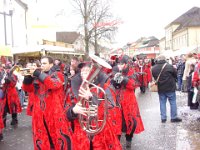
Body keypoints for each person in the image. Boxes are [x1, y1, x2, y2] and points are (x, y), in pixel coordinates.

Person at [66, 59, 122, 150]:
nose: (84, 73)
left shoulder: (105, 87)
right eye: (82, 71)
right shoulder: (72, 89)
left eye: (87, 71)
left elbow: (111, 107)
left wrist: (92, 98)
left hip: (101, 132)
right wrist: (73, 111)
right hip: (81, 133)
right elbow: (66, 114)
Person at [22, 56, 72, 149]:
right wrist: (27, 79)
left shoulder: (58, 74)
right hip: (39, 115)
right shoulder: (37, 76)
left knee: (58, 139)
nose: (42, 65)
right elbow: (27, 89)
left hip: (54, 114)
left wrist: (38, 73)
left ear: (51, 64)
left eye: (44, 63)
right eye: (41, 63)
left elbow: (53, 84)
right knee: (42, 140)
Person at [112, 55, 144, 148]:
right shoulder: (115, 71)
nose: (120, 66)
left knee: (131, 121)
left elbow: (133, 85)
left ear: (126, 64)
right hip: (117, 100)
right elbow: (111, 85)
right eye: (119, 64)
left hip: (129, 100)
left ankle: (129, 138)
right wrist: (114, 79)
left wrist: (122, 79)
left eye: (121, 64)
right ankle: (116, 142)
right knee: (117, 121)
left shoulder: (131, 71)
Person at [151, 55, 182, 123]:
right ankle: (173, 117)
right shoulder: (169, 66)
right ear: (165, 59)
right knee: (172, 102)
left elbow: (154, 77)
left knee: (162, 102)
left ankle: (163, 118)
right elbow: (175, 74)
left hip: (160, 88)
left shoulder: (154, 68)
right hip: (170, 87)